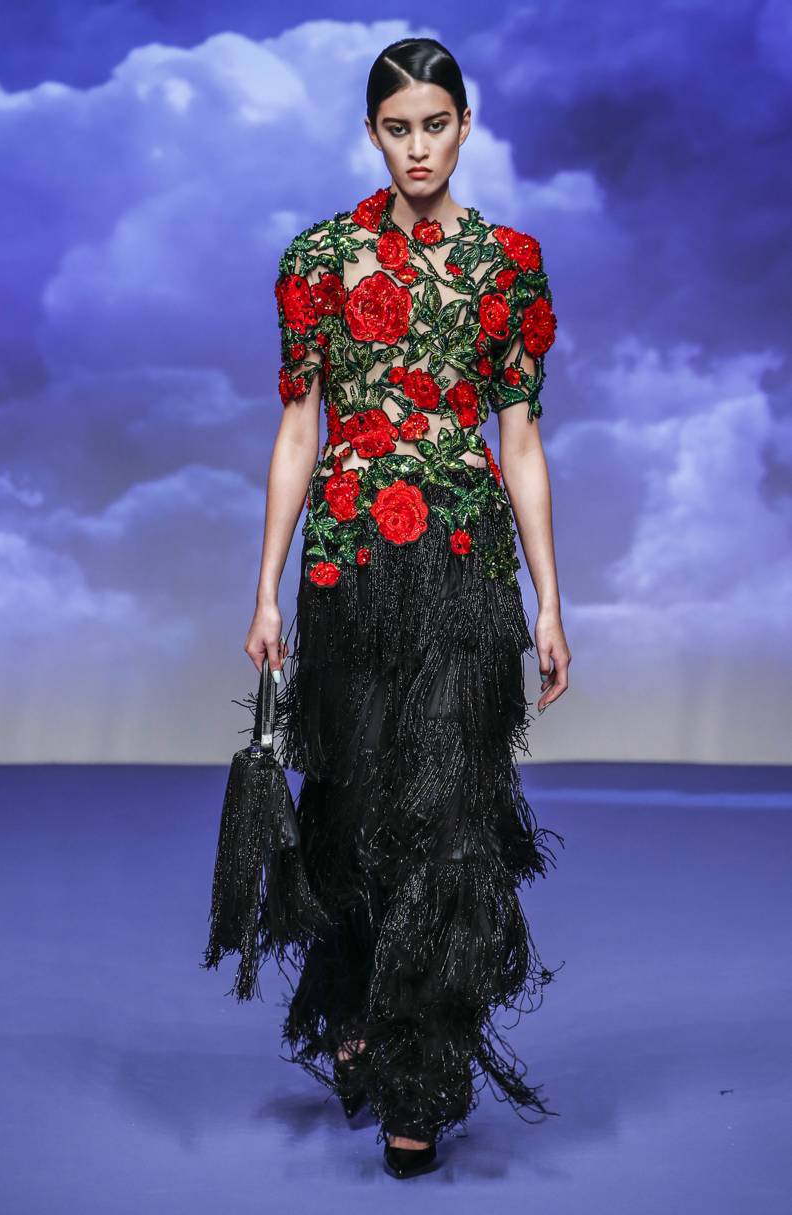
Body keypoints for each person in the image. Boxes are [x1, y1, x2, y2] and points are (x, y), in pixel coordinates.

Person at [243, 36, 570, 1179]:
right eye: (398, 129)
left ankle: (421, 1080)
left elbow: (519, 443)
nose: (418, 148)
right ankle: (357, 1008)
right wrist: (265, 588)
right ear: (372, 134)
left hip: (466, 567)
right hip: (346, 569)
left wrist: (550, 601)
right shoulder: (319, 260)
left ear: (465, 126)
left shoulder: (508, 265)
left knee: (450, 810)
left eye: (436, 125)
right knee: (353, 800)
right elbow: (298, 431)